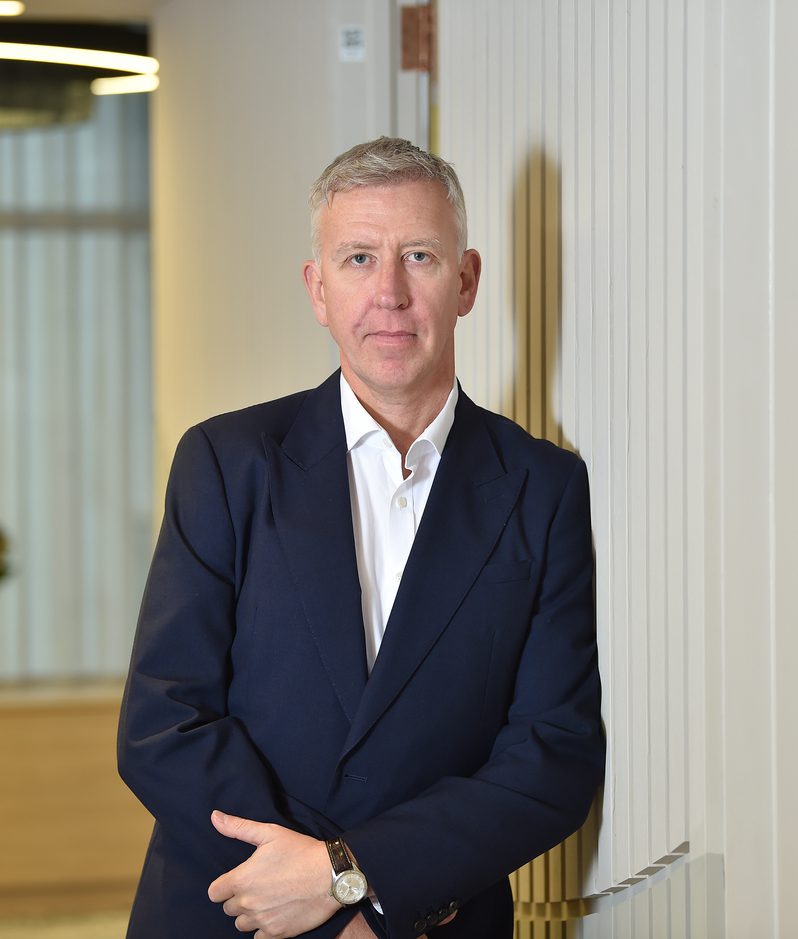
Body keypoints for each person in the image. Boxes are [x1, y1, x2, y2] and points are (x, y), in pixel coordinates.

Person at [118, 137, 604, 939]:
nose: (389, 292)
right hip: (229, 911)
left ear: (467, 281)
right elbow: (162, 720)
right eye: (356, 259)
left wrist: (360, 881)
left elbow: (553, 752)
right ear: (317, 288)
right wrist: (308, 898)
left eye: (419, 255)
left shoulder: (542, 489)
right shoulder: (226, 462)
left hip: (426, 922)